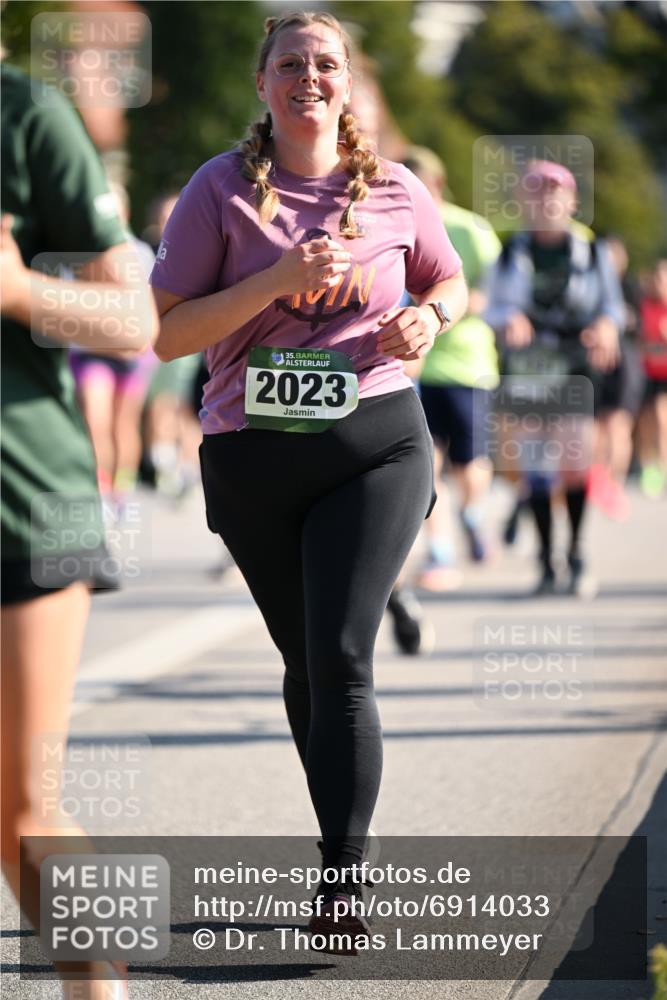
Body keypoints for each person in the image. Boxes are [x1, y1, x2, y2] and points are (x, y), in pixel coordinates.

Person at [150, 10, 466, 949]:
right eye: (290, 64)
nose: (308, 78)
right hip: (254, 454)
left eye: (325, 63)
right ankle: (337, 841)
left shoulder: (399, 191)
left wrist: (430, 322)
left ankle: (341, 876)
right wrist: (275, 279)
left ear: (350, 84)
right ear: (263, 85)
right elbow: (168, 333)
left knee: (339, 656)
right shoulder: (219, 190)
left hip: (377, 439)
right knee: (305, 667)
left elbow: (446, 282)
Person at [1, 63, 157, 999]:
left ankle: (95, 983)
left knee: (21, 808)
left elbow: (135, 317)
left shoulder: (25, 115)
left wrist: (16, 292)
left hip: (23, 498)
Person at [485, 159, 624, 597]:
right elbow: (490, 306)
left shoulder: (593, 251)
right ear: (524, 201)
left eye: (555, 192)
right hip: (529, 366)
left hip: (575, 362)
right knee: (535, 467)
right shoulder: (508, 252)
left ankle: (577, 551)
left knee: (575, 463)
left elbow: (614, 307)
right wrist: (508, 319)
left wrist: (606, 326)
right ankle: (546, 561)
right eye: (537, 192)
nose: (546, 200)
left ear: (572, 201)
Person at [401, 146, 501, 591]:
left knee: (471, 461)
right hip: (414, 367)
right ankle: (439, 549)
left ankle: (471, 511)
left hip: (465, 363)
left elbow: (499, 290)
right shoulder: (391, 223)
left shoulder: (469, 228)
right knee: (427, 462)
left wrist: (465, 303)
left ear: (436, 184)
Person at [69, 183, 157, 512]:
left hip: (132, 353)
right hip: (91, 352)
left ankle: (123, 490)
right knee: (95, 419)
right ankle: (101, 490)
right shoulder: (77, 251)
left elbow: (148, 310)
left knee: (124, 423)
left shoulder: (140, 253)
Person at [637, 259, 667, 497]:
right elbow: (640, 340)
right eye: (656, 279)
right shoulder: (646, 306)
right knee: (646, 423)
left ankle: (663, 468)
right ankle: (649, 468)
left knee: (661, 417)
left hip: (664, 374)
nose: (658, 283)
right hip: (646, 372)